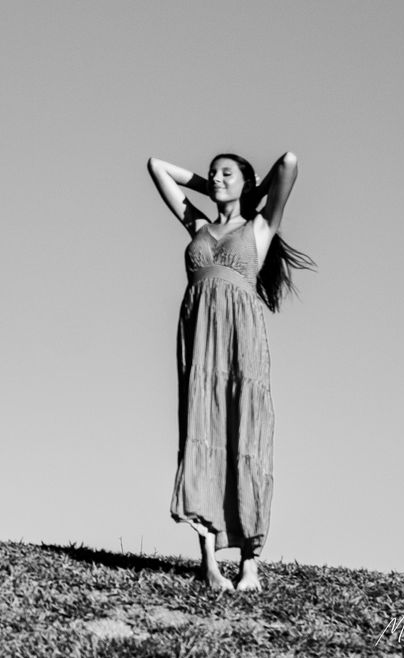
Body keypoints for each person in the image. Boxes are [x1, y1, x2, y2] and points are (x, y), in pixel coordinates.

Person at [146, 151, 315, 592]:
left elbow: (290, 163)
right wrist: (211, 186)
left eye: (227, 173)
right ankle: (208, 564)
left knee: (245, 435)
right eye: (213, 173)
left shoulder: (259, 228)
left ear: (246, 182)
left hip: (242, 339)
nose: (217, 178)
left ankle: (250, 563)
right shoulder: (197, 226)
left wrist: (251, 191)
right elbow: (155, 166)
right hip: (200, 339)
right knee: (201, 432)